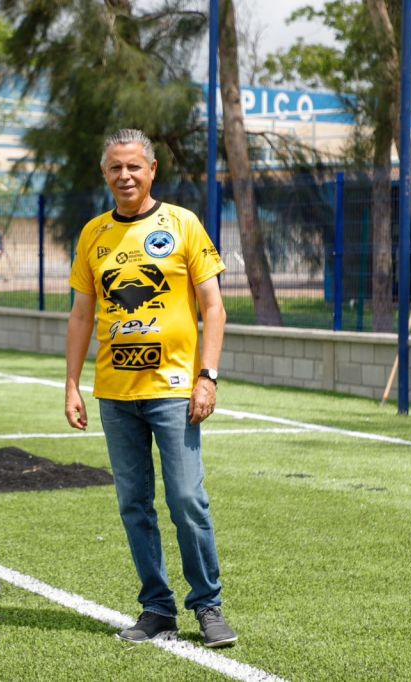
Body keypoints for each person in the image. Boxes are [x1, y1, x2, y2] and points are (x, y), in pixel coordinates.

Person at [64, 129, 237, 648]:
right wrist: (71, 383)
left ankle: (208, 605)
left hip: (175, 389)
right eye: (115, 168)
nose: (125, 176)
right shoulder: (93, 234)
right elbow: (80, 315)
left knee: (187, 498)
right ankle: (156, 607)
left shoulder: (181, 224)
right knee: (134, 503)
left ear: (152, 170)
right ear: (105, 174)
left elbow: (214, 309)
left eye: (134, 167)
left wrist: (207, 376)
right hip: (115, 393)